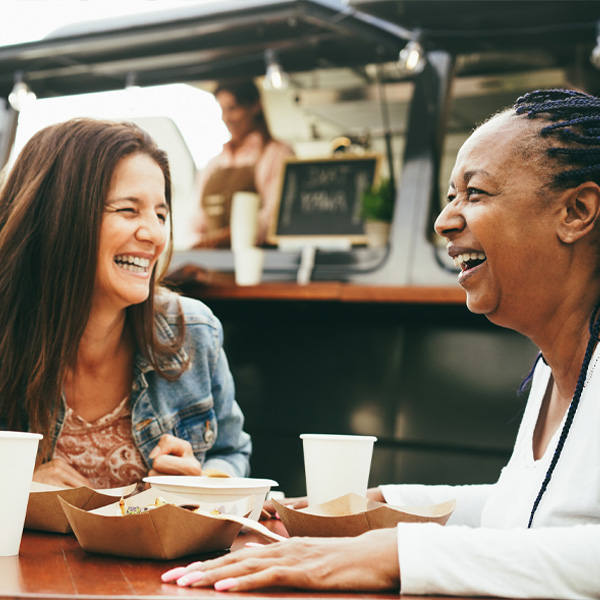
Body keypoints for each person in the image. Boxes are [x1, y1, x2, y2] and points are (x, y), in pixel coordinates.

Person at [162, 88, 600, 598]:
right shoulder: (553, 369)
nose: (444, 221)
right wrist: (372, 508)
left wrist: (393, 553)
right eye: (450, 196)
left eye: (474, 194)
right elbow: (523, 512)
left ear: (578, 211)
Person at [0, 118, 252, 489]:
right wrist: (16, 484)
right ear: (59, 216)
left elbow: (232, 454)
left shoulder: (193, 331)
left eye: (161, 214)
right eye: (128, 210)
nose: (154, 234)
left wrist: (204, 480)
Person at [193, 79, 294, 248]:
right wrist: (197, 245)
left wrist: (223, 239)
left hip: (257, 266)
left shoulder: (277, 154)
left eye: (233, 108)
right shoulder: (214, 163)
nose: (226, 118)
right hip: (210, 267)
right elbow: (196, 218)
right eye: (222, 110)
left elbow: (275, 216)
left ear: (255, 106)